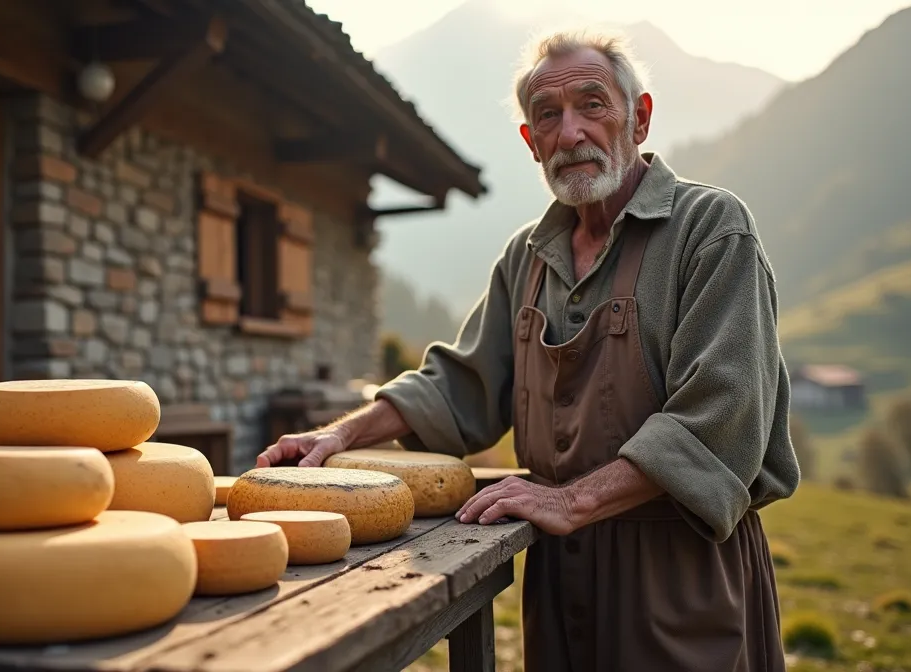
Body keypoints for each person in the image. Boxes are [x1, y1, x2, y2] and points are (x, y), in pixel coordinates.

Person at [255, 28, 799, 672]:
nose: (570, 133)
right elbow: (461, 386)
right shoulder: (528, 256)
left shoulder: (711, 230)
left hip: (681, 576)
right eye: (548, 116)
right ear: (530, 142)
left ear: (640, 118)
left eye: (592, 105)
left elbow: (722, 420)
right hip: (559, 579)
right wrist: (339, 437)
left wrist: (568, 500)